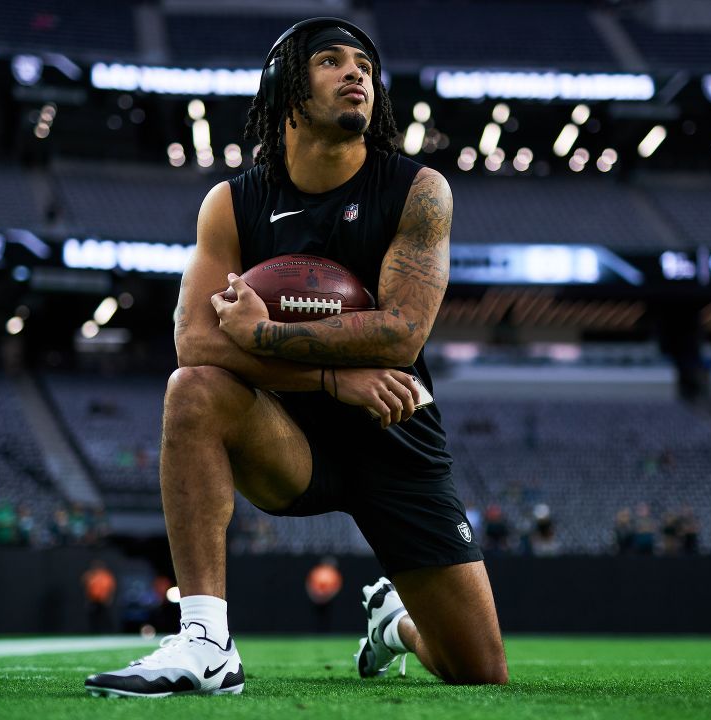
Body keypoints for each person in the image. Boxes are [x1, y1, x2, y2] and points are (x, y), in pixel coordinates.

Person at [85, 17, 507, 698]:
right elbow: (193, 341)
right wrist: (328, 379)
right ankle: (206, 641)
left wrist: (265, 335)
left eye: (364, 64)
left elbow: (402, 333)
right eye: (331, 61)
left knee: (479, 673)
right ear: (287, 90)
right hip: (287, 434)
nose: (357, 74)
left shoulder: (418, 189)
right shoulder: (232, 203)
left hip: (394, 429)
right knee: (191, 387)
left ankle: (392, 623)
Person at [82, 559, 116, 635]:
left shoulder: (106, 576)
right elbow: (86, 586)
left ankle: (108, 632)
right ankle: (94, 632)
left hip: (103, 599)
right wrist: (87, 599)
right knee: (93, 618)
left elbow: (110, 588)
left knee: (105, 617)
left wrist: (109, 598)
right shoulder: (91, 575)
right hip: (93, 600)